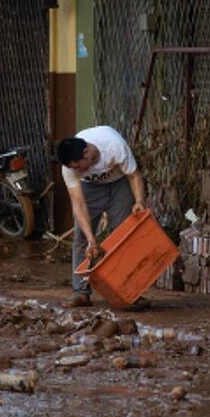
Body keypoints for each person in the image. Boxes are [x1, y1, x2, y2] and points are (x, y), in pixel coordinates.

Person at [56, 126, 148, 308]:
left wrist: (139, 201)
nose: (77, 170)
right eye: (73, 168)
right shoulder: (69, 168)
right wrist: (91, 239)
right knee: (81, 238)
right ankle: (80, 293)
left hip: (119, 183)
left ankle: (128, 293)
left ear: (86, 153)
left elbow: (134, 176)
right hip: (89, 188)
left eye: (78, 166)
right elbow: (78, 203)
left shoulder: (114, 145)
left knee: (124, 237)